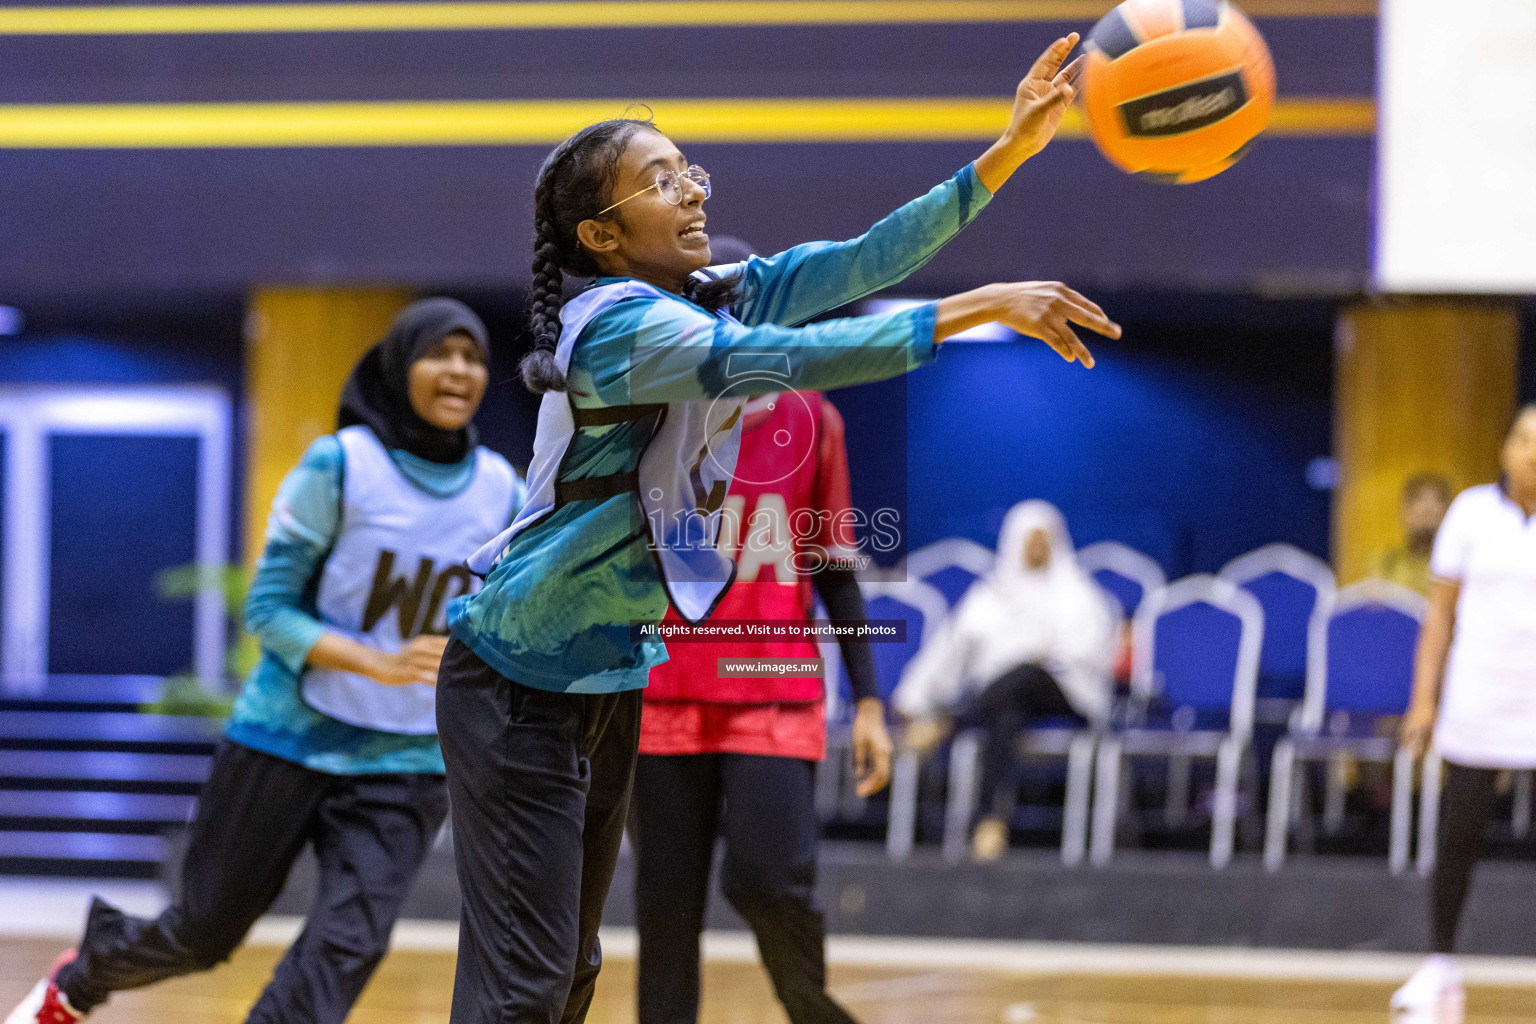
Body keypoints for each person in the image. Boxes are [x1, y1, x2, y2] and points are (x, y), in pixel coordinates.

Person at [434, 33, 1120, 1024]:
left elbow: (864, 259)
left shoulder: (704, 292)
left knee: (562, 979)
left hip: (606, 676)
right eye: (662, 180)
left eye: (689, 171)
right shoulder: (624, 328)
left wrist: (1007, 152)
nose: (693, 190)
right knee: (527, 986)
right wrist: (978, 307)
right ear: (602, 235)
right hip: (514, 679)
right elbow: (780, 362)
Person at [6, 299, 524, 1024]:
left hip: (406, 760)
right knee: (204, 931)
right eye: (440, 352)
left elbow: (506, 610)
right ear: (399, 366)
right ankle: (87, 972)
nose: (460, 371)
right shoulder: (342, 465)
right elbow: (268, 610)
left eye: (473, 357)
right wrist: (375, 662)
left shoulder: (502, 487)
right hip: (285, 737)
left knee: (349, 944)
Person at [631, 376, 891, 1024]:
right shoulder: (647, 413)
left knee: (768, 879)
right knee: (666, 904)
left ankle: (814, 1010)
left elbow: (834, 568)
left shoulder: (811, 418)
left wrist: (869, 704)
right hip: (661, 697)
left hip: (771, 693)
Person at [1392, 406, 1536, 1022]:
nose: (1533, 452)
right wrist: (1423, 701)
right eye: (1525, 438)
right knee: (1458, 836)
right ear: (1505, 446)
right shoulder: (1471, 513)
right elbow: (1439, 620)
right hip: (1477, 699)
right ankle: (1440, 965)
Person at [895, 500, 1114, 862]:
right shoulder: (989, 596)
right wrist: (913, 694)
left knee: (1026, 671)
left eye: (1045, 540)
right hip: (1001, 700)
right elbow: (950, 650)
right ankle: (990, 822)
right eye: (1030, 540)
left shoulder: (1077, 594)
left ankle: (946, 724)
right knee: (1006, 713)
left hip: (1066, 696)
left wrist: (1046, 655)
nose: (1038, 548)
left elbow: (1088, 656)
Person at [1373, 472, 1453, 595]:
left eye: (1436, 500)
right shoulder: (1387, 563)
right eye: (1418, 499)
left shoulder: (1454, 565)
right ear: (1403, 511)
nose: (1427, 509)